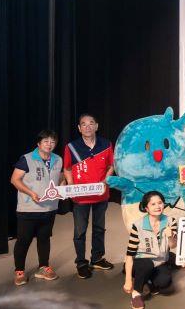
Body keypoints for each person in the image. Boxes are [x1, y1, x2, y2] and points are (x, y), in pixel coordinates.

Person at [63, 113, 115, 279]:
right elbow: (67, 168)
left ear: (96, 126)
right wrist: (71, 186)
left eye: (91, 123)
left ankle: (97, 258)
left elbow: (111, 166)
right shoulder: (71, 147)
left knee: (99, 228)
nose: (87, 127)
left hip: (101, 194)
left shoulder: (106, 144)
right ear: (79, 128)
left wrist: (105, 181)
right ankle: (81, 262)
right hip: (80, 197)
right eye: (84, 124)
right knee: (80, 231)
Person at [10, 129, 63, 286]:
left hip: (50, 208)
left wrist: (62, 185)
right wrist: (31, 193)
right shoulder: (26, 159)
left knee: (44, 239)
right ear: (39, 143)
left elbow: (60, 176)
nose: (49, 144)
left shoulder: (58, 159)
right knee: (24, 240)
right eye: (46, 141)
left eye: (52, 142)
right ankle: (19, 271)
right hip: (28, 208)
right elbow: (15, 179)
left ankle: (44, 267)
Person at [123, 191, 177, 309]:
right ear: (146, 208)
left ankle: (147, 281)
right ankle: (136, 294)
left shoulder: (171, 221)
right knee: (146, 265)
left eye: (160, 203)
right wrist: (128, 280)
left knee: (164, 282)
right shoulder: (138, 225)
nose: (158, 206)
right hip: (141, 261)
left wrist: (170, 236)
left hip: (160, 261)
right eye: (153, 204)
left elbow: (173, 246)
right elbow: (130, 254)